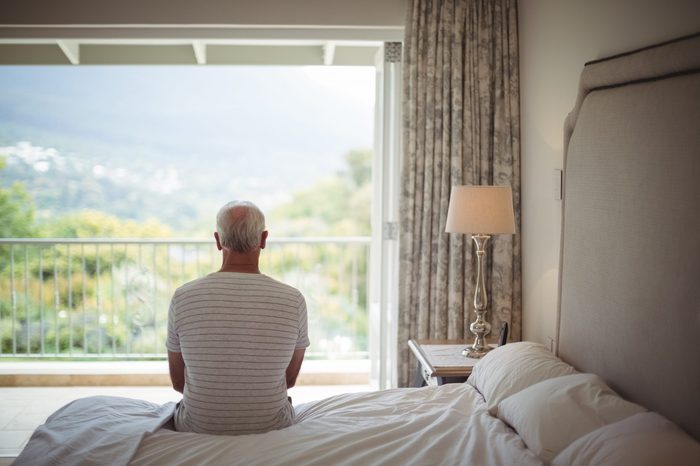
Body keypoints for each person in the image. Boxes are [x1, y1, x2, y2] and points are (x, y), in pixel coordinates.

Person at [166, 200, 309, 436]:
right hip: (272, 427)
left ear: (218, 240)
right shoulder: (293, 300)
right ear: (264, 239)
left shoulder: (183, 297)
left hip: (198, 427)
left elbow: (178, 383)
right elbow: (288, 381)